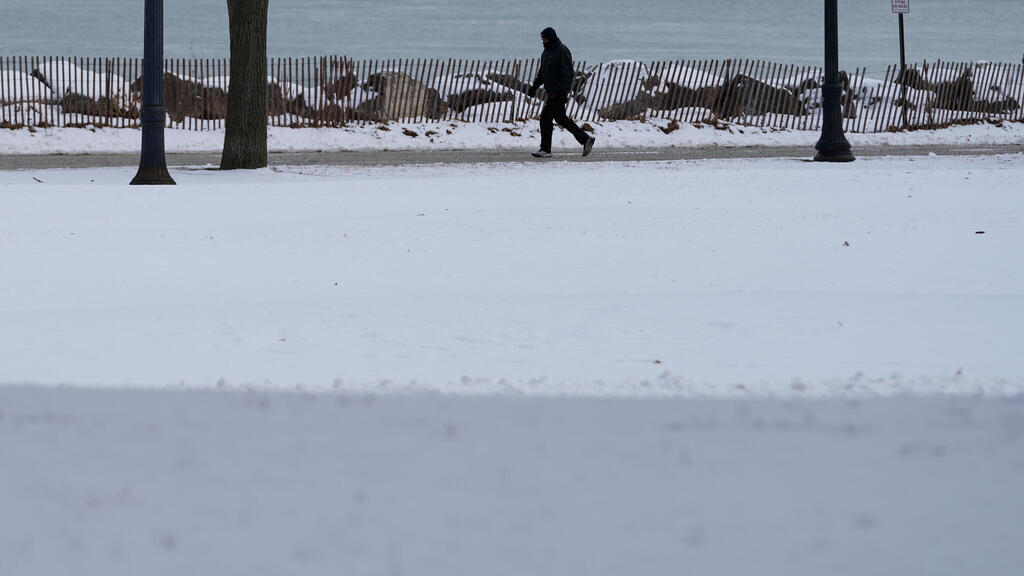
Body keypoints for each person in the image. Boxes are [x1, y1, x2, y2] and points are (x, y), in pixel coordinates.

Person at [527, 27, 596, 158]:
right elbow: (542, 73)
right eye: (542, 39)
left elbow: (568, 74)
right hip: (551, 92)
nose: (543, 41)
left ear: (551, 38)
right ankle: (585, 139)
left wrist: (561, 92)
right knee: (561, 119)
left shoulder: (562, 51)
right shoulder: (546, 52)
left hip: (558, 94)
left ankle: (546, 149)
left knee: (545, 119)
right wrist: (534, 87)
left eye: (545, 39)